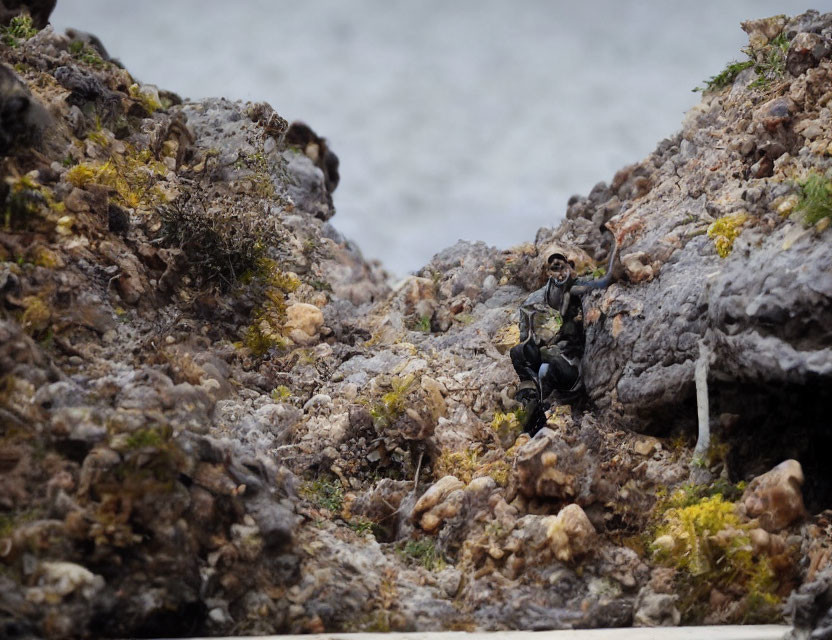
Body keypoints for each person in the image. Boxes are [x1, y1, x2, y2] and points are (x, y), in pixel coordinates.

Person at [510, 229, 620, 434]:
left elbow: (605, 280)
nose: (559, 273)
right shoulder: (541, 296)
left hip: (571, 363)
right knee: (518, 353)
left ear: (570, 267)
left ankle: (549, 409)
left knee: (550, 367)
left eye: (562, 266)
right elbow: (527, 327)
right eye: (554, 268)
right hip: (550, 353)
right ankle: (531, 397)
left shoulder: (578, 288)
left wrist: (616, 247)